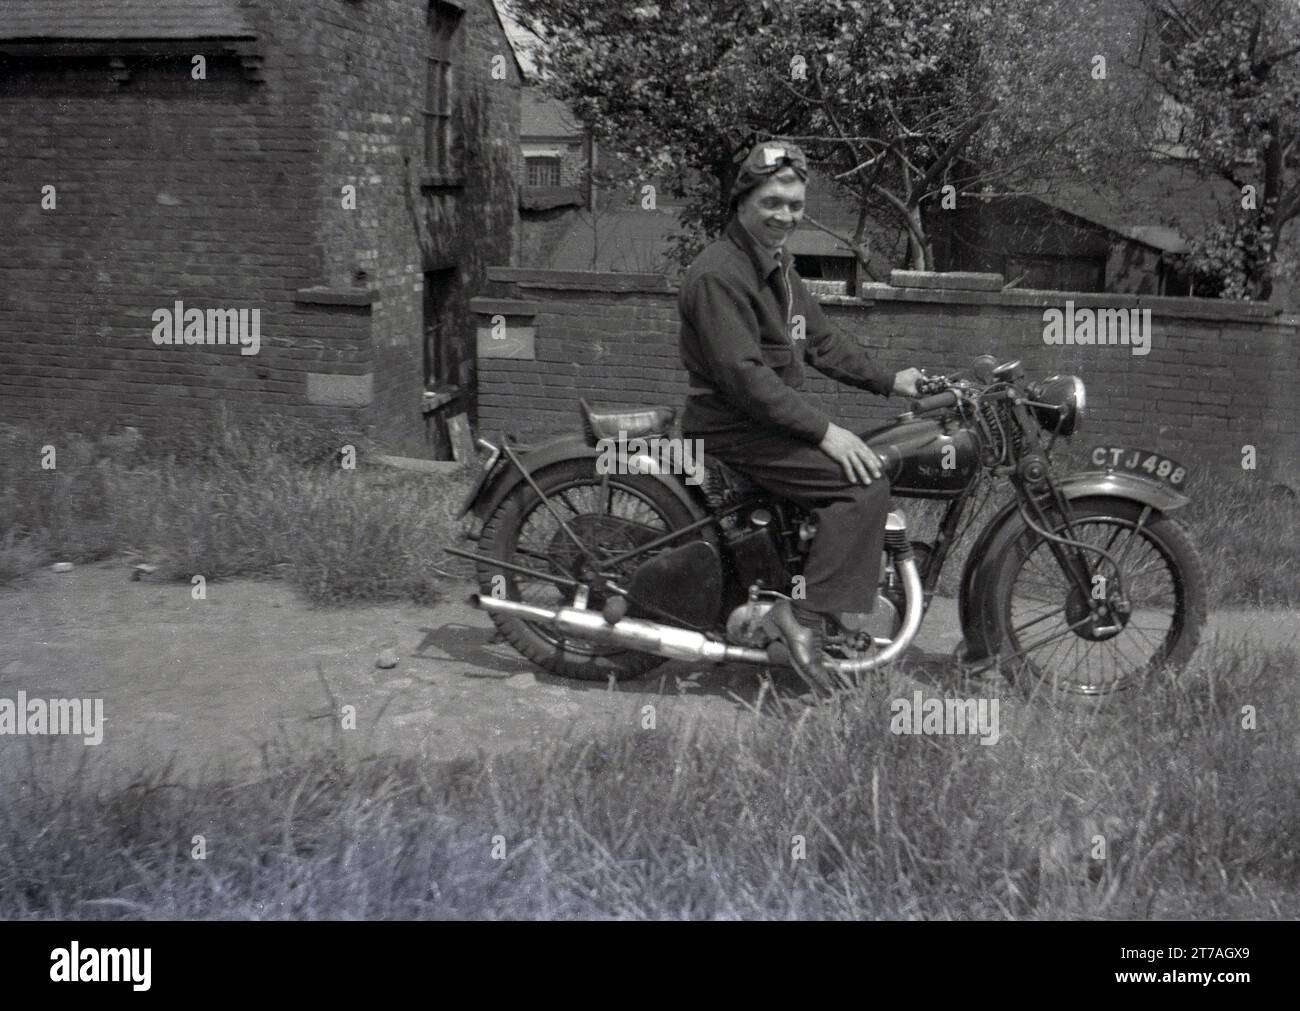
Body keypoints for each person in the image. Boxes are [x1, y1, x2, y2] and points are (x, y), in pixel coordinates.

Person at [677, 139, 922, 695]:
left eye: (794, 205)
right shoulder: (720, 273)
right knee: (860, 485)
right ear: (742, 202)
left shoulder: (777, 266)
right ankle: (803, 621)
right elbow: (745, 378)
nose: (785, 215)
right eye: (772, 202)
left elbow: (823, 341)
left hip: (761, 422)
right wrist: (826, 431)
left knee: (858, 465)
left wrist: (890, 380)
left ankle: (813, 601)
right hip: (733, 428)